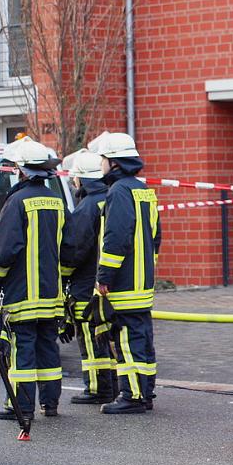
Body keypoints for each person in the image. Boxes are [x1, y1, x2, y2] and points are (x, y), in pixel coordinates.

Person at [0, 137, 66, 421]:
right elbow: (67, 246)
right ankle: (51, 404)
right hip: (51, 294)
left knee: (23, 350)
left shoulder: (17, 201)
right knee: (48, 347)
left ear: (21, 170)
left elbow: (6, 248)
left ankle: (20, 407)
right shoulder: (57, 200)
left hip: (22, 294)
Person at [91, 133, 161, 414]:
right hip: (143, 280)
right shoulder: (144, 190)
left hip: (124, 282)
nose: (102, 165)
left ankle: (131, 396)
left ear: (113, 162)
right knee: (142, 338)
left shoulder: (118, 191)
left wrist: (104, 276)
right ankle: (145, 391)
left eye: (103, 159)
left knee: (127, 340)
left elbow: (116, 238)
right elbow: (156, 236)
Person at [60, 150, 116, 405]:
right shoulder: (112, 198)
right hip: (114, 284)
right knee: (109, 337)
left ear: (80, 180)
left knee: (92, 339)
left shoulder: (86, 208)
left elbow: (74, 250)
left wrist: (62, 277)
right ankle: (115, 386)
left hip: (86, 286)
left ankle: (97, 388)